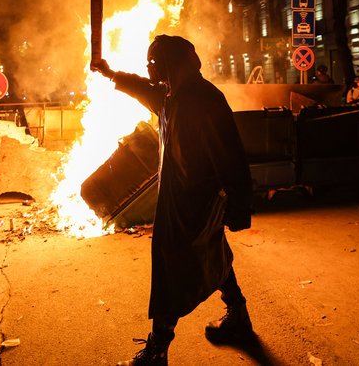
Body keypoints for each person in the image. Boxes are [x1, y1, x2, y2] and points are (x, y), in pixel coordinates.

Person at [91, 34, 254, 366]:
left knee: (170, 268)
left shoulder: (204, 100)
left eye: (153, 62)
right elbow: (141, 88)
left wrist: (238, 206)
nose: (149, 68)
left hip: (195, 203)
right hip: (180, 198)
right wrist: (109, 74)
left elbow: (231, 158)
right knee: (213, 253)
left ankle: (158, 347)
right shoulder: (171, 96)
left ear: (169, 63)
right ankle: (238, 314)